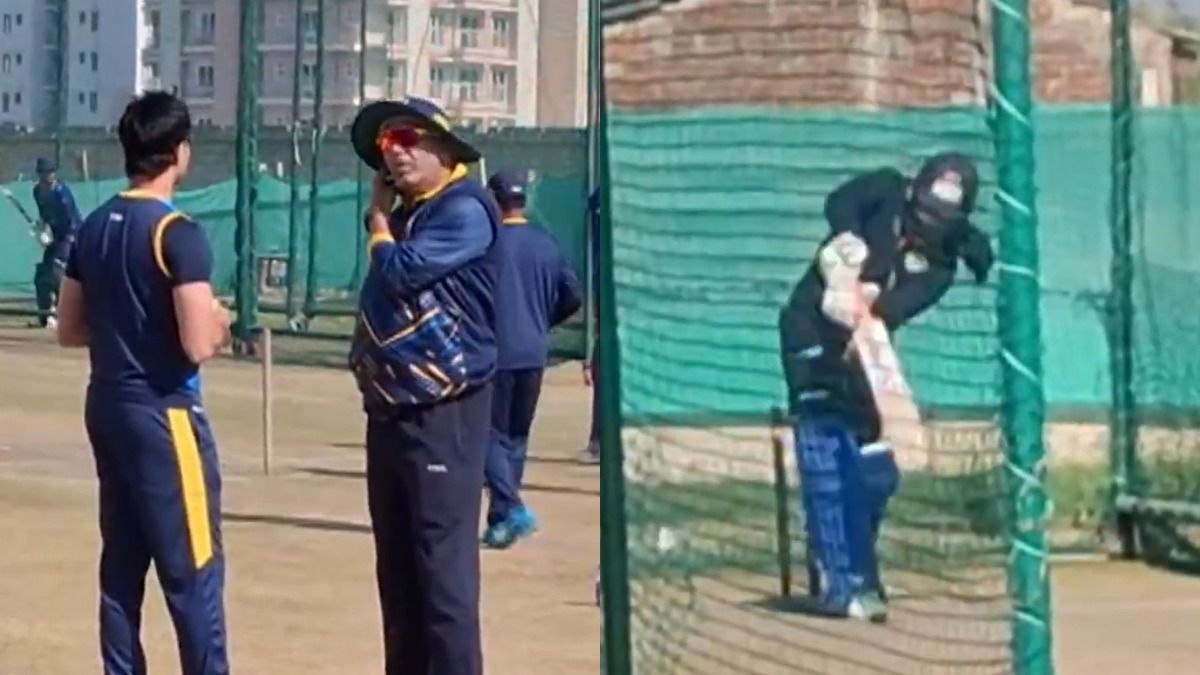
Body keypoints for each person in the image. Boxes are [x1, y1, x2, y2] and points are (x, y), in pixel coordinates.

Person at [54, 91, 232, 674]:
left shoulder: (95, 225)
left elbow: (71, 328)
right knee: (194, 572)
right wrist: (221, 324)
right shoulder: (177, 233)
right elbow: (196, 342)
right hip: (166, 413)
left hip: (107, 403)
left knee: (122, 567)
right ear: (180, 153)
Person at [777, 153, 994, 622]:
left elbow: (891, 311)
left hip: (863, 352)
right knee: (826, 448)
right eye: (921, 212)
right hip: (809, 332)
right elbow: (842, 202)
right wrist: (846, 248)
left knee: (877, 469)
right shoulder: (885, 191)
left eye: (939, 219)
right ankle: (838, 583)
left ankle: (856, 566)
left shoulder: (939, 268)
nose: (924, 225)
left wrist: (865, 306)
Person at [347, 96, 501, 675]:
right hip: (390, 412)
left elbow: (401, 273)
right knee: (399, 576)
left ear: (444, 145)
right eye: (388, 144)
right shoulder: (409, 214)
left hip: (445, 414)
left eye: (409, 137)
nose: (398, 152)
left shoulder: (465, 208)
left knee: (443, 579)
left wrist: (378, 221)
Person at [480, 169, 583, 549]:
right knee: (515, 438)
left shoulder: (485, 244)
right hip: (533, 353)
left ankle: (512, 506)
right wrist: (543, 320)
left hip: (494, 352)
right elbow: (572, 296)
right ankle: (500, 522)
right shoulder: (547, 244)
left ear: (494, 200)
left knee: (486, 437)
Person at [32, 156, 82, 328]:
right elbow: (44, 215)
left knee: (57, 271)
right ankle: (45, 314)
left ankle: (66, 313)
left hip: (70, 236)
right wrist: (43, 229)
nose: (49, 176)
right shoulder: (37, 192)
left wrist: (61, 239)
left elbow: (71, 222)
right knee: (42, 275)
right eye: (45, 172)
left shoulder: (61, 193)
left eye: (51, 172)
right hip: (55, 237)